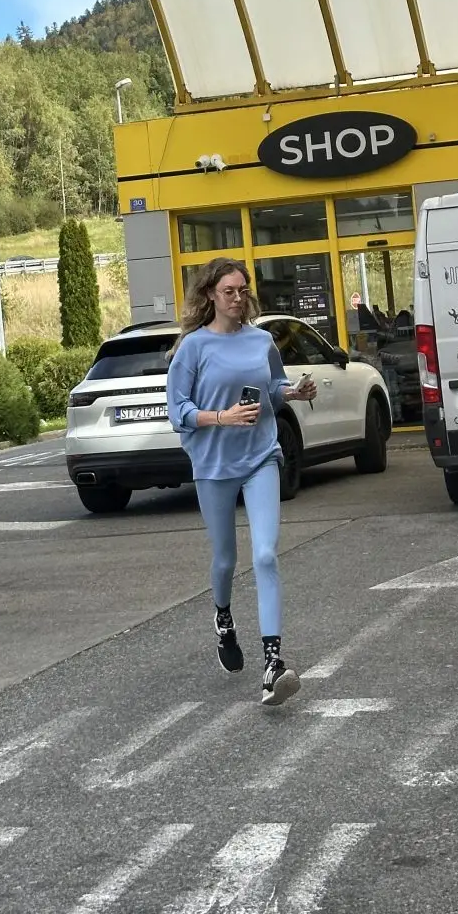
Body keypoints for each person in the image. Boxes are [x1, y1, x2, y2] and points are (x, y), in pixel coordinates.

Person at [166, 256, 316, 707]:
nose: (237, 298)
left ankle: (273, 664)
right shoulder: (193, 347)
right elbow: (178, 411)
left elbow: (272, 386)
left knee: (266, 555)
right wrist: (222, 417)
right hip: (213, 463)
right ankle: (224, 618)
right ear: (210, 295)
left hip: (260, 456)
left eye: (242, 290)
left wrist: (293, 391)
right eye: (228, 291)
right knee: (226, 560)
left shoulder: (261, 340)